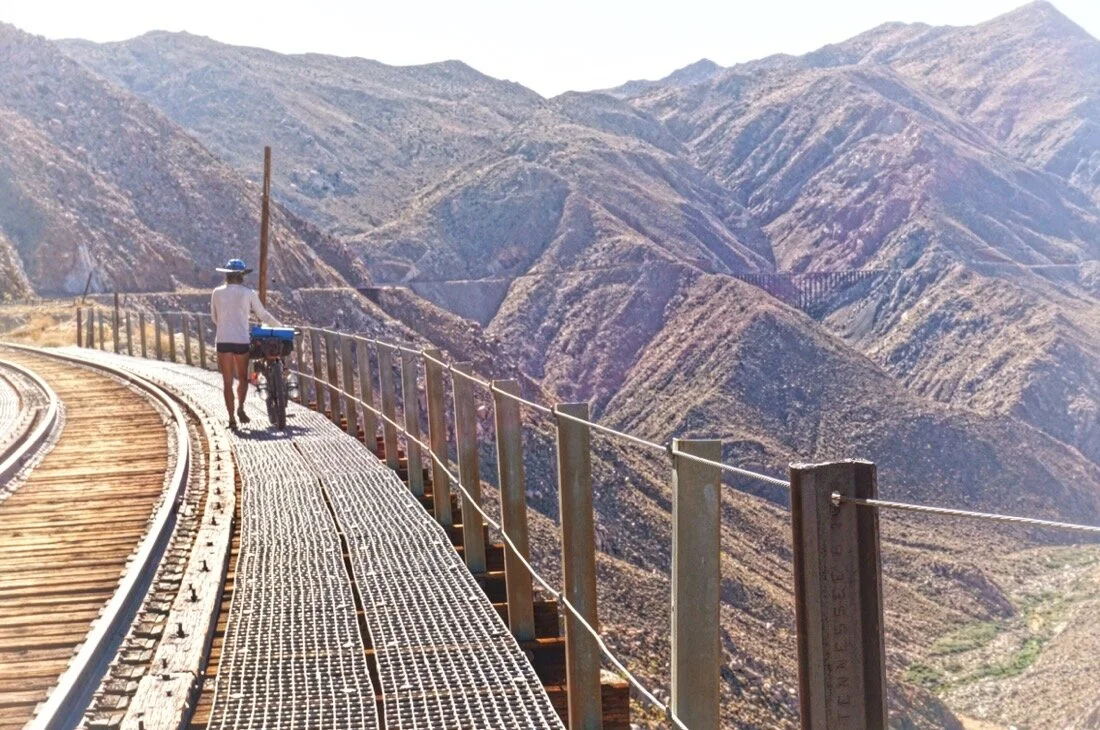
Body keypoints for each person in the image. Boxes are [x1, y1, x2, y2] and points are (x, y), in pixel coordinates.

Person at [211, 258, 281, 429]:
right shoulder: (248, 293)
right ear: (242, 275)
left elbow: (214, 318)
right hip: (241, 340)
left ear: (227, 275)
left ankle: (231, 419)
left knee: (227, 381)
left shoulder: (217, 292)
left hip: (223, 340)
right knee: (242, 378)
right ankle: (241, 408)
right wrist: (280, 327)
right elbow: (263, 315)